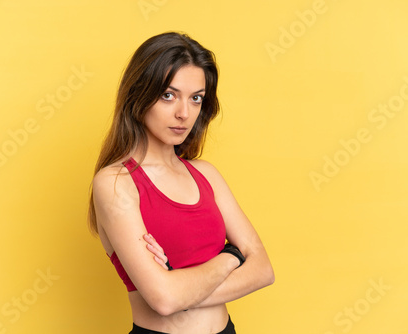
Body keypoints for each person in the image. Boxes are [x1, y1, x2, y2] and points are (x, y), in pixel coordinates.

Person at [89, 31, 274, 334]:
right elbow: (163, 300)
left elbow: (263, 270)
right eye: (168, 95)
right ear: (140, 94)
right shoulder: (115, 182)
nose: (183, 113)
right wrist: (230, 257)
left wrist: (181, 289)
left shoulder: (206, 174)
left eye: (196, 98)